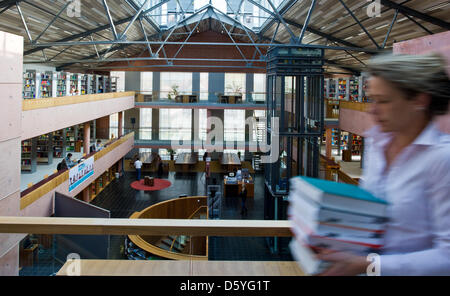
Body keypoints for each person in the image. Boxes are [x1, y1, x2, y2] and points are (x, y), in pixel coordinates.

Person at [316, 53, 450, 276]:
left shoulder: (442, 159)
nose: (372, 110)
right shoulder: (377, 146)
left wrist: (367, 265)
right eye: (372, 99)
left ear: (419, 100)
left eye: (384, 101)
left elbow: (447, 257)